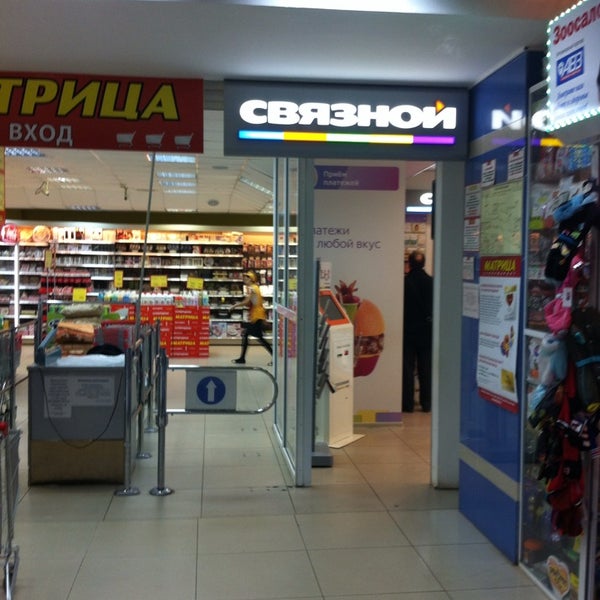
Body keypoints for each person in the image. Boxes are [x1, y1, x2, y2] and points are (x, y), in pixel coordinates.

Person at [403, 251, 433, 413]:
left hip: (408, 331)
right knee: (425, 368)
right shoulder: (431, 282)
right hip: (426, 332)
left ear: (409, 263)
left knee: (407, 368)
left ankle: (407, 404)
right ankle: (426, 403)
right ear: (423, 263)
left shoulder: (405, 283)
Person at [231, 271, 273, 364]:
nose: (245, 279)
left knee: (256, 337)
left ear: (251, 279)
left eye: (247, 278)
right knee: (252, 336)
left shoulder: (252, 288)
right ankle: (242, 358)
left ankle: (242, 359)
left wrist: (235, 306)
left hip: (257, 316)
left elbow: (246, 301)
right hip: (257, 315)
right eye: (244, 278)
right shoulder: (255, 287)